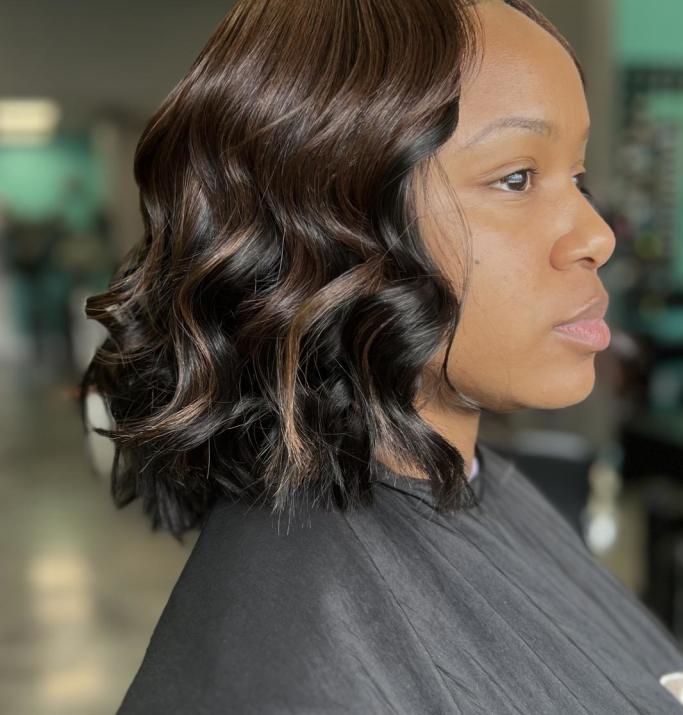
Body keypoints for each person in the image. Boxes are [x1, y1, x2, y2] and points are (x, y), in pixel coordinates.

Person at [79, 0, 683, 711]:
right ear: (330, 221)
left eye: (576, 176)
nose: (596, 235)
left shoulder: (473, 482)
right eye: (517, 177)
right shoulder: (283, 672)